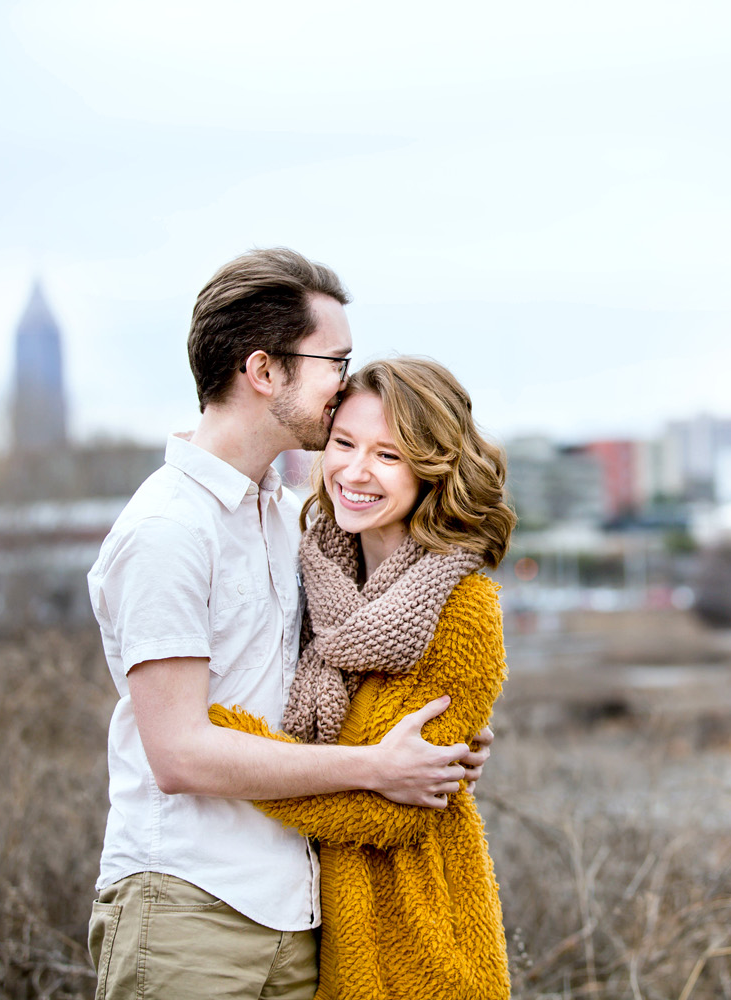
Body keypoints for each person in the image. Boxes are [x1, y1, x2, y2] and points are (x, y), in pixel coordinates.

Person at [85, 250, 493, 1000]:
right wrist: (376, 769)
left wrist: (437, 742)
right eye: (334, 360)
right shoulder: (168, 531)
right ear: (264, 371)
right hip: (190, 911)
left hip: (300, 913)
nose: (346, 381)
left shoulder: (287, 519)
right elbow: (179, 754)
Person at [210, 357, 515, 1000]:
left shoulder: (461, 609)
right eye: (344, 444)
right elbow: (369, 762)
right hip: (307, 920)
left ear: (433, 466)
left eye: (388, 455)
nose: (355, 471)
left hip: (415, 930)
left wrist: (215, 732)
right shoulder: (309, 568)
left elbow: (387, 807)